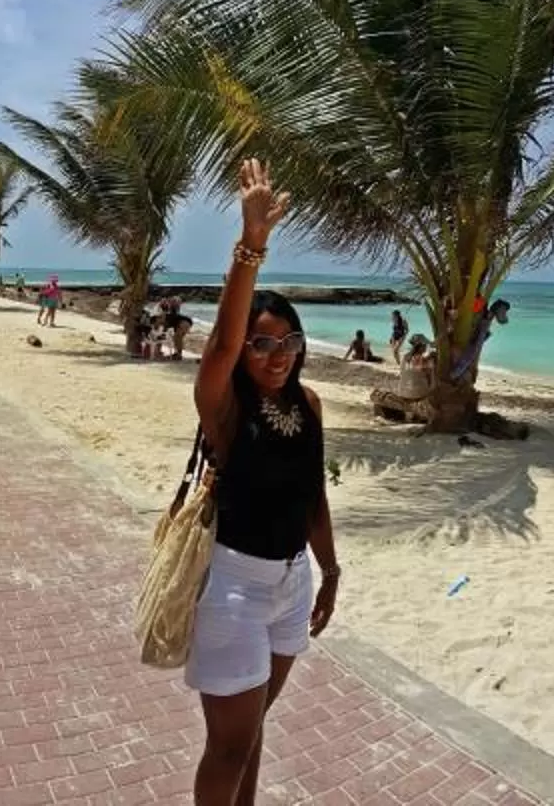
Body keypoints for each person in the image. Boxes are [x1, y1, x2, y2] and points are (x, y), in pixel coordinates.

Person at [186, 159, 339, 806]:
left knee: (252, 736)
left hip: (290, 584)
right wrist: (251, 244)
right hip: (233, 589)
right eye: (261, 345)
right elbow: (219, 345)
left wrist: (330, 570)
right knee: (227, 747)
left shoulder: (309, 404)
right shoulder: (224, 408)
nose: (277, 357)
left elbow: (314, 496)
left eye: (288, 343)